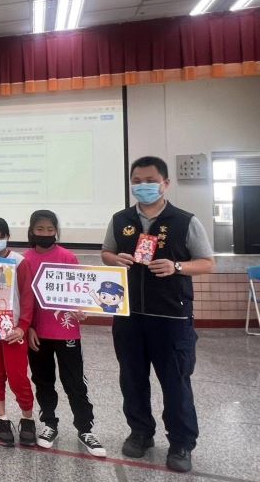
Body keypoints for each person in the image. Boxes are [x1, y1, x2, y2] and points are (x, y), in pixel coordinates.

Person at [101, 156, 214, 473]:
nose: (142, 185)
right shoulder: (121, 219)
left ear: (165, 183)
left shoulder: (185, 221)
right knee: (132, 378)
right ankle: (140, 432)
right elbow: (106, 251)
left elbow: (207, 262)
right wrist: (115, 259)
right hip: (128, 315)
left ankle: (181, 443)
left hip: (171, 318)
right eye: (136, 180)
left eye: (149, 180)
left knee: (176, 383)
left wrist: (177, 267)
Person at [20, 210, 106, 457]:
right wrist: (29, 329)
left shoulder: (67, 257)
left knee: (75, 383)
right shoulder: (24, 260)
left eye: (50, 229)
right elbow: (25, 300)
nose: (45, 233)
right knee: (43, 380)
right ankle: (49, 423)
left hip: (67, 331)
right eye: (40, 229)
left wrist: (82, 310)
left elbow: (79, 293)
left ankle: (85, 428)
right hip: (38, 334)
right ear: (31, 231)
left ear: (56, 231)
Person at [0, 217, 36, 447]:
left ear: (7, 238)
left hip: (13, 330)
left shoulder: (19, 262)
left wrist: (23, 327)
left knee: (18, 376)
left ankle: (27, 418)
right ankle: (1, 419)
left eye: (0, 236)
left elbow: (28, 298)